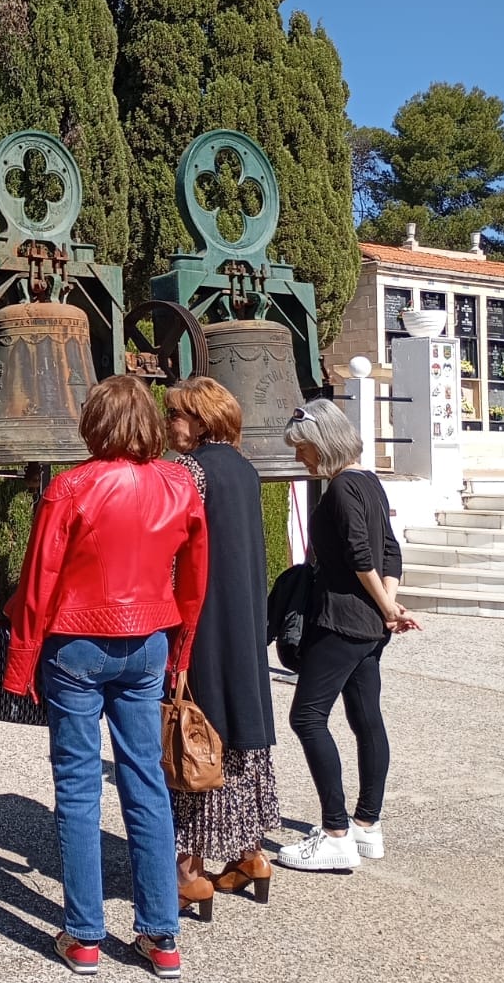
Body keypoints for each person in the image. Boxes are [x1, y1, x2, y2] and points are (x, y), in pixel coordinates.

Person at [4, 375, 208, 981]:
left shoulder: (72, 487)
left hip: (77, 641)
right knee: (145, 780)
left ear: (93, 423)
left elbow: (39, 581)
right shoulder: (179, 484)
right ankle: (160, 935)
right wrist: (181, 648)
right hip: (148, 638)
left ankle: (86, 935)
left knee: (77, 785)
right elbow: (195, 576)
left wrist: (20, 662)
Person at [276, 399, 419, 873]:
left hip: (341, 621)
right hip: (370, 627)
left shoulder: (338, 488)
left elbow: (362, 555)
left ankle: (336, 832)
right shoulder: (370, 482)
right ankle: (367, 827)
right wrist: (389, 608)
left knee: (307, 717)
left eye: (303, 449)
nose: (300, 458)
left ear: (322, 444)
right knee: (365, 718)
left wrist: (385, 606)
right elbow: (389, 552)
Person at [164, 378, 279, 914]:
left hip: (205, 619)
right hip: (244, 617)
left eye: (178, 417)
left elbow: (175, 550)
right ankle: (250, 854)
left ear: (202, 420)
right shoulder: (245, 469)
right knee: (240, 729)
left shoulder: (192, 472)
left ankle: (190, 870)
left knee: (195, 732)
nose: (169, 426)